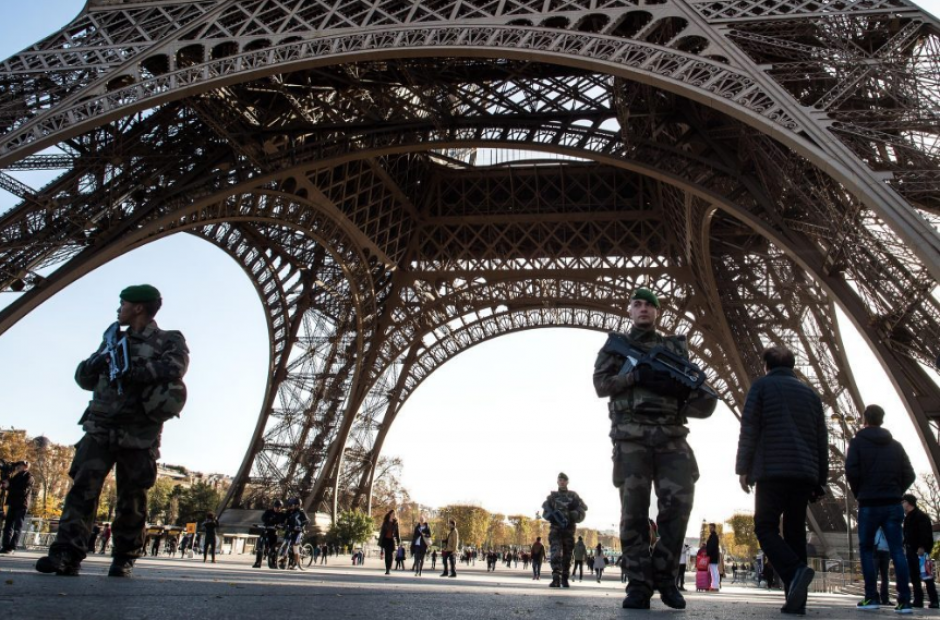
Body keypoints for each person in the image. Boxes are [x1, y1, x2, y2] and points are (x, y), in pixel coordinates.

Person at [35, 285, 188, 578]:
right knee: (81, 491)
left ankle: (124, 557)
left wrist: (133, 371)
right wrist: (96, 362)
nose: (119, 309)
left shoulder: (169, 339)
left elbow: (176, 367)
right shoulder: (111, 340)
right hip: (101, 426)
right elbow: (85, 379)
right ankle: (65, 554)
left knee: (132, 498)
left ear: (139, 308)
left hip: (139, 430)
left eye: (123, 303)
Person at [593, 288, 706, 610]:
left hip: (672, 437)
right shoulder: (616, 348)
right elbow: (601, 386)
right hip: (631, 440)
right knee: (633, 514)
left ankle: (665, 578)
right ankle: (639, 585)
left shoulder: (674, 349)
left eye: (650, 305)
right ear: (629, 310)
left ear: (658, 312)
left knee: (678, 510)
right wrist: (634, 376)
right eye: (637, 304)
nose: (643, 309)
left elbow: (696, 399)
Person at [735, 345, 828, 615]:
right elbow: (822, 439)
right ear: (793, 365)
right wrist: (820, 479)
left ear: (766, 366)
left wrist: (743, 468)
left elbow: (749, 428)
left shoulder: (761, 387)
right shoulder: (811, 395)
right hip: (803, 474)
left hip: (772, 470)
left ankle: (796, 571)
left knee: (765, 527)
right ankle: (797, 599)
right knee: (796, 532)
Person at [845, 404, 914, 613]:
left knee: (866, 550)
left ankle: (871, 597)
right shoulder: (896, 446)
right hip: (893, 504)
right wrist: (895, 491)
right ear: (882, 420)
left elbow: (851, 472)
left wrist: (861, 492)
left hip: (869, 504)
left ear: (865, 420)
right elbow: (909, 474)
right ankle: (905, 601)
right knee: (897, 551)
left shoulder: (857, 444)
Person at [542, 472, 587, 589]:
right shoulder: (552, 497)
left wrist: (573, 515)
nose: (562, 482)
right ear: (557, 481)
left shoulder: (573, 496)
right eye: (560, 480)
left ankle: (565, 578)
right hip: (556, 529)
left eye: (564, 480)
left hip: (569, 529)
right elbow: (545, 513)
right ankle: (556, 577)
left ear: (567, 482)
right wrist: (552, 516)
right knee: (555, 553)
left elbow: (583, 511)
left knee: (567, 554)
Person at [903, 494, 939, 609]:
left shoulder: (921, 516)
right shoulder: (908, 517)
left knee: (927, 577)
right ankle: (918, 600)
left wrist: (922, 547)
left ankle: (934, 600)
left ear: (908, 502)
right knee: (914, 577)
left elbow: (925, 533)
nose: (901, 504)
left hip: (921, 552)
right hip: (911, 550)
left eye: (903, 502)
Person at [1, 461, 34, 555]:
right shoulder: (16, 476)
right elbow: (8, 486)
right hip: (12, 503)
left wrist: (9, 486)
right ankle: (5, 546)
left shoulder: (29, 477)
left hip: (21, 505)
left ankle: (12, 547)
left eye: (20, 465)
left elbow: (23, 491)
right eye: (18, 465)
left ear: (25, 467)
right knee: (8, 526)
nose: (18, 467)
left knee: (17, 527)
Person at [253, 499, 284, 568]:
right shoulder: (268, 512)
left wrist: (278, 525)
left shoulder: (281, 514)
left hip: (273, 531)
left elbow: (282, 522)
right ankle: (258, 562)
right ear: (274, 506)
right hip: (266, 529)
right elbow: (263, 518)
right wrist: (270, 521)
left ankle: (273, 562)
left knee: (273, 547)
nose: (277, 508)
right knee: (260, 546)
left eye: (279, 507)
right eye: (276, 507)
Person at [283, 498, 309, 570]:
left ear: (298, 505)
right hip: (291, 530)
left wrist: (301, 525)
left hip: (299, 532)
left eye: (294, 505)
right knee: (288, 545)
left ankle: (296, 564)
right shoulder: (290, 512)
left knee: (295, 548)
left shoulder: (301, 512)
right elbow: (285, 520)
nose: (292, 506)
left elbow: (307, 520)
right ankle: (287, 562)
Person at [379, 509, 400, 575]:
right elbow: (382, 532)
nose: (394, 515)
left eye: (394, 514)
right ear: (390, 514)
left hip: (392, 540)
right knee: (386, 555)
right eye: (393, 514)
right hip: (385, 540)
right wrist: (380, 540)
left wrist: (398, 541)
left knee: (390, 555)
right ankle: (387, 569)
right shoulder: (385, 522)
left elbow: (397, 533)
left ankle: (389, 568)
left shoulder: (396, 522)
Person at [706, 524, 721, 592]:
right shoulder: (714, 536)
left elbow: (711, 546)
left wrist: (707, 552)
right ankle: (714, 585)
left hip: (713, 556)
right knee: (714, 571)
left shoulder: (713, 536)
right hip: (714, 555)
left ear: (714, 528)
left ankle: (715, 586)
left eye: (711, 528)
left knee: (714, 571)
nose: (710, 529)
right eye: (709, 528)